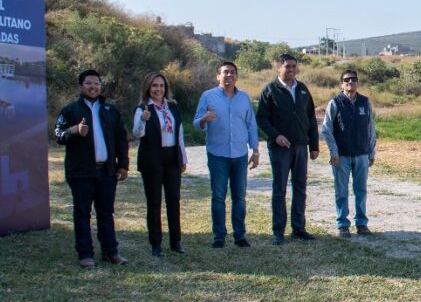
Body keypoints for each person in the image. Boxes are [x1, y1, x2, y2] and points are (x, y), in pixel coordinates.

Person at [54, 69, 130, 268]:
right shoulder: (70, 111)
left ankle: (111, 252)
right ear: (81, 86)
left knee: (106, 213)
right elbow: (59, 135)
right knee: (82, 214)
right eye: (89, 83)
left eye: (96, 83)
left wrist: (122, 165)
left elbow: (121, 139)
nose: (93, 87)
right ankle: (85, 254)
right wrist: (74, 131)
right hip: (81, 172)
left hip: (106, 171)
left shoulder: (110, 111)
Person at [193, 61, 260, 249]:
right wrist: (205, 119)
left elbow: (251, 125)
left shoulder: (244, 98)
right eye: (225, 72)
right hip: (217, 154)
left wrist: (255, 150)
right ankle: (219, 237)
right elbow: (195, 123)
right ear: (218, 76)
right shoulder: (208, 96)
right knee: (218, 196)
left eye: (232, 72)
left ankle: (240, 236)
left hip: (239, 154)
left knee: (239, 197)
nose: (228, 75)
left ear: (236, 76)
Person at [256, 53, 319, 243]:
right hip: (280, 148)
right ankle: (278, 231)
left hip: (301, 146)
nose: (291, 70)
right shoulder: (270, 90)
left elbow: (311, 119)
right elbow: (262, 118)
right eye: (287, 67)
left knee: (300, 188)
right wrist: (276, 136)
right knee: (280, 189)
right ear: (279, 68)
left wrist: (314, 145)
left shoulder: (302, 89)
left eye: (293, 66)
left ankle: (298, 228)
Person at [132, 71, 188, 257]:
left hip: (172, 157)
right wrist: (142, 121)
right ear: (148, 88)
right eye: (155, 86)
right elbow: (137, 133)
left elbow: (179, 134)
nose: (158, 89)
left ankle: (176, 241)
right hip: (152, 159)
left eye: (161, 86)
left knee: (174, 200)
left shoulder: (172, 107)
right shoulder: (143, 109)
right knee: (154, 202)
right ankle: (156, 244)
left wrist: (183, 158)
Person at [320, 69, 377, 237]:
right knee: (341, 191)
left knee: (361, 190)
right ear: (341, 84)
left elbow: (370, 128)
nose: (350, 82)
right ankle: (342, 224)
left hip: (361, 154)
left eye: (353, 80)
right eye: (346, 80)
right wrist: (333, 151)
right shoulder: (335, 102)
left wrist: (372, 152)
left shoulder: (365, 102)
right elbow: (326, 129)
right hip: (341, 155)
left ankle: (361, 223)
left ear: (357, 83)